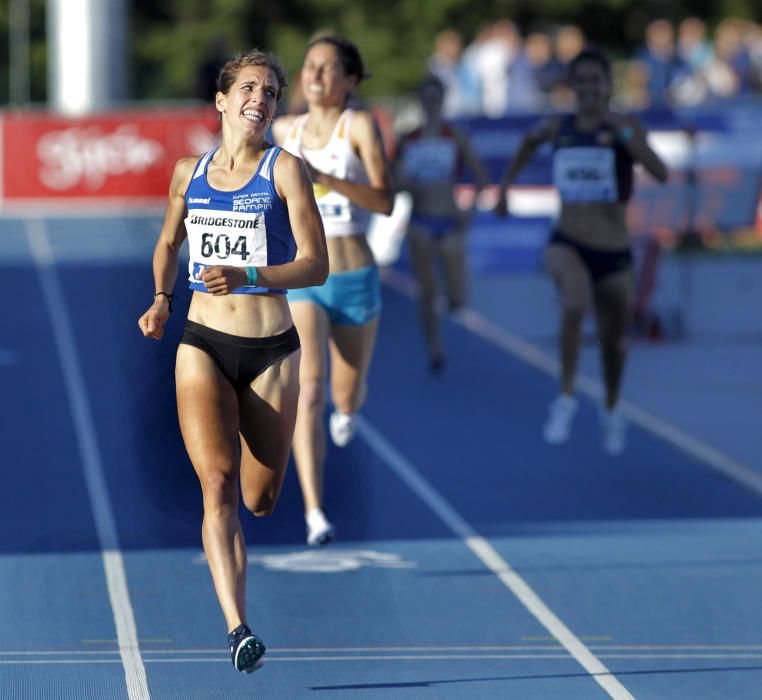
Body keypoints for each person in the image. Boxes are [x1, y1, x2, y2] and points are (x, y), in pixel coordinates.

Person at [137, 49, 328, 673]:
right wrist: (163, 299)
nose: (261, 99)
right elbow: (169, 242)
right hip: (203, 343)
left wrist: (248, 271)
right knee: (214, 484)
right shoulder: (187, 173)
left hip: (272, 349)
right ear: (221, 101)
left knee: (261, 499)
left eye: (272, 92)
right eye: (249, 87)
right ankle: (237, 625)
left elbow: (315, 265)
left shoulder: (286, 172)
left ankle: (261, 486)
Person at [495, 47, 668, 454]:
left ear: (608, 85)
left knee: (614, 342)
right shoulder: (559, 127)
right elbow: (526, 143)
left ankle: (610, 406)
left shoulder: (625, 127)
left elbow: (659, 171)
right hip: (568, 240)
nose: (588, 88)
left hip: (614, 249)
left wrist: (622, 133)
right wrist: (503, 189)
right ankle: (567, 396)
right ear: (571, 86)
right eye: (581, 81)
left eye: (596, 81)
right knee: (574, 302)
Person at [272, 35, 393, 547]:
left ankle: (349, 410)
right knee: (310, 389)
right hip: (306, 279)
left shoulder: (359, 127)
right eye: (309, 65)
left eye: (328, 67)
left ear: (348, 81)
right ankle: (315, 511)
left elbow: (385, 201)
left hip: (355, 276)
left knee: (345, 394)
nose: (315, 74)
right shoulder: (282, 130)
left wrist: (325, 178)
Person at [393, 74, 487, 373]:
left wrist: (469, 212)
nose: (431, 103)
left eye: (436, 98)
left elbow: (481, 178)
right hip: (421, 220)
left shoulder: (454, 135)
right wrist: (403, 184)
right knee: (427, 291)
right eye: (426, 98)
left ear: (442, 100)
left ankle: (453, 302)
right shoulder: (410, 138)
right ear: (421, 101)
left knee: (457, 298)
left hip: (449, 220)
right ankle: (434, 348)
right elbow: (393, 185)